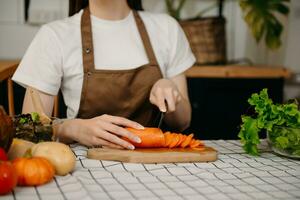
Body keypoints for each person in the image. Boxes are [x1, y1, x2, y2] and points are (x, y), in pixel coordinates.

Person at [12, 0, 195, 150]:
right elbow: (27, 129)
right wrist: (71, 129)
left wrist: (171, 92)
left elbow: (183, 122)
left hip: (154, 161)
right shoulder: (54, 36)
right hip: (83, 166)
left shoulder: (167, 28)